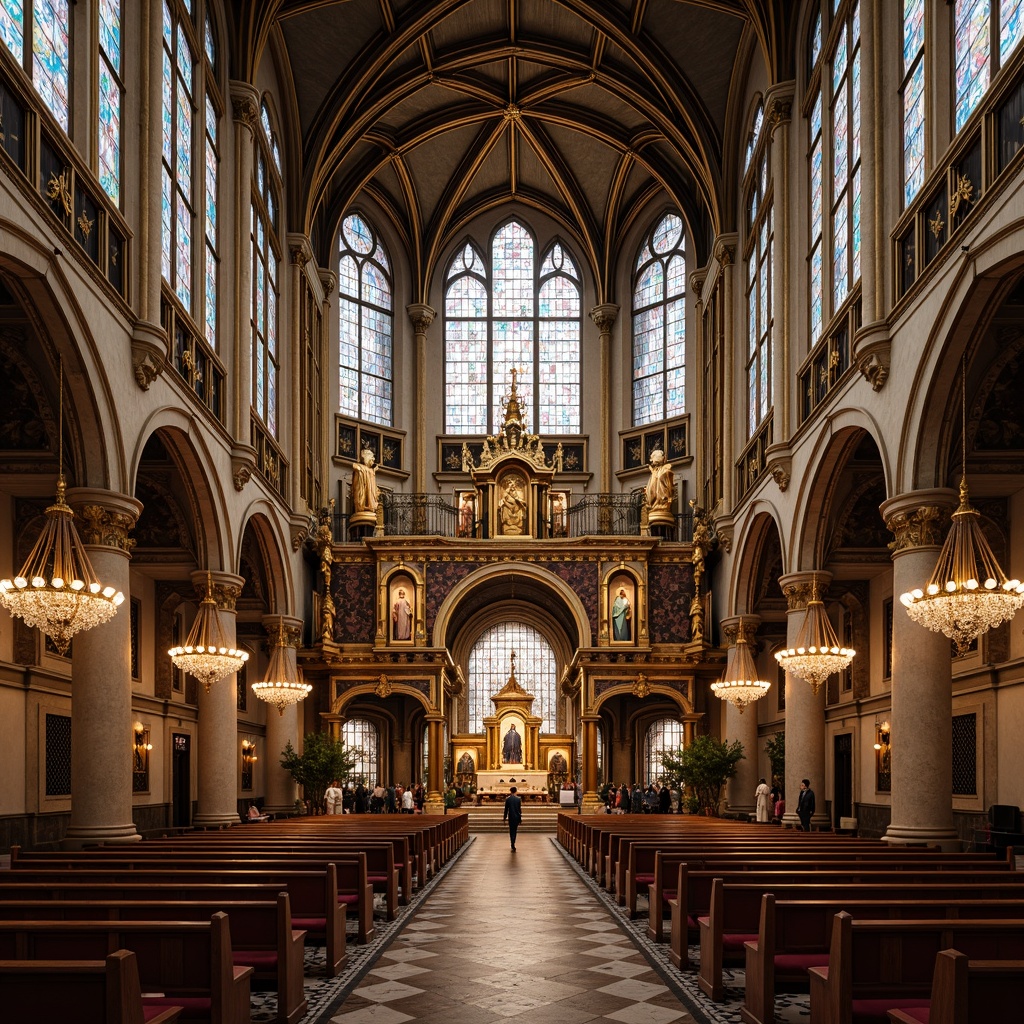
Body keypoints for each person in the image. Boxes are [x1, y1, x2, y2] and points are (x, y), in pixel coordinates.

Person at [645, 448, 675, 517]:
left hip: (662, 497)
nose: (652, 462)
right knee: (653, 488)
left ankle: (660, 504)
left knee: (658, 487)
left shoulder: (664, 470)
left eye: (653, 460)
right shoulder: (655, 471)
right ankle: (655, 504)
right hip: (656, 500)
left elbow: (666, 479)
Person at [351, 448, 379, 515]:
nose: (374, 459)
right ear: (366, 457)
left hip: (370, 511)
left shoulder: (370, 470)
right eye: (372, 457)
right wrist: (372, 471)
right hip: (361, 498)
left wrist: (373, 471)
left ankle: (369, 505)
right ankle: (362, 507)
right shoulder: (359, 468)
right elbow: (356, 487)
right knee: (360, 495)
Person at [503, 785, 523, 851]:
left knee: (511, 830)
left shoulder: (508, 799)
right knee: (515, 830)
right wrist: (520, 818)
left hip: (511, 816)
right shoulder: (518, 799)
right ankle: (513, 842)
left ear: (510, 791)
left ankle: (512, 842)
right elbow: (519, 810)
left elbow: (506, 809)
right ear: (516, 791)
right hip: (517, 817)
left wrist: (504, 817)